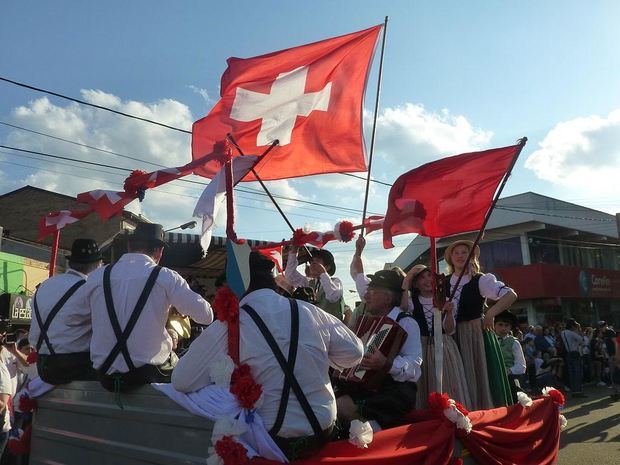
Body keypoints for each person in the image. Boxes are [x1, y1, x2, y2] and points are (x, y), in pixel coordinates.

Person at [172, 252, 363, 460]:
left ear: (233, 284)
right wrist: (318, 355)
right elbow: (355, 353)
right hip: (323, 432)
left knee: (206, 396)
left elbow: (181, 381)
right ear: (271, 282)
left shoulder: (227, 325)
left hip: (275, 442)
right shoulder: (310, 311)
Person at [83, 223, 213, 391]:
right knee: (185, 370)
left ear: (129, 246)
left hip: (104, 375)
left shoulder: (96, 276)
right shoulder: (166, 277)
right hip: (147, 373)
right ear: (159, 252)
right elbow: (206, 316)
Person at [336, 269, 422, 431]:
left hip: (395, 391)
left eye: (372, 292)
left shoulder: (406, 322)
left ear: (388, 298)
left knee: (343, 406)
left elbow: (414, 365)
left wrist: (387, 364)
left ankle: (375, 441)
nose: (366, 296)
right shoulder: (367, 323)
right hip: (367, 388)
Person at [444, 240, 517, 409]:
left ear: (472, 257)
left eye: (464, 252)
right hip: (452, 336)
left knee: (480, 373)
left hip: (476, 333)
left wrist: (490, 314)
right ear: (450, 258)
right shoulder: (444, 283)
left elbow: (511, 295)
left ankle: (486, 410)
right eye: (457, 253)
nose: (461, 256)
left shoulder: (481, 280)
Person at [28, 238, 102, 384]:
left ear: (71, 262)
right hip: (76, 366)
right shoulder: (89, 288)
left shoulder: (44, 285)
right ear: (97, 265)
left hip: (43, 365)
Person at [403, 264, 471, 409]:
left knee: (447, 381)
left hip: (444, 346)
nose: (427, 280)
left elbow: (450, 329)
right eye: (422, 277)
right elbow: (402, 307)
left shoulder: (446, 299)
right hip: (421, 347)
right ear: (415, 284)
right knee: (425, 384)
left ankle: (451, 415)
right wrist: (408, 277)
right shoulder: (411, 302)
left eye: (430, 276)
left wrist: (449, 312)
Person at [285, 246, 345, 320]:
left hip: (330, 329)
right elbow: (290, 276)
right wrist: (294, 251)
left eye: (318, 261)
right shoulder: (308, 282)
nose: (313, 263)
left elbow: (332, 296)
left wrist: (323, 273)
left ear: (327, 267)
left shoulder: (336, 282)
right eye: (312, 261)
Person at [494, 310, 526, 401]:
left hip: (509, 379)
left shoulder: (514, 342)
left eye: (506, 325)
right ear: (494, 325)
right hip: (492, 378)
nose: (503, 328)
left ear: (510, 327)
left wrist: (509, 370)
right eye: (500, 324)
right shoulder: (488, 341)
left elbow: (521, 366)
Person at [560, 318, 586, 398]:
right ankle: (578, 391)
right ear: (572, 326)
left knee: (572, 373)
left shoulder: (563, 333)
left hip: (568, 353)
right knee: (578, 373)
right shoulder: (572, 333)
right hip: (575, 353)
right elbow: (582, 341)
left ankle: (574, 391)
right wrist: (579, 329)